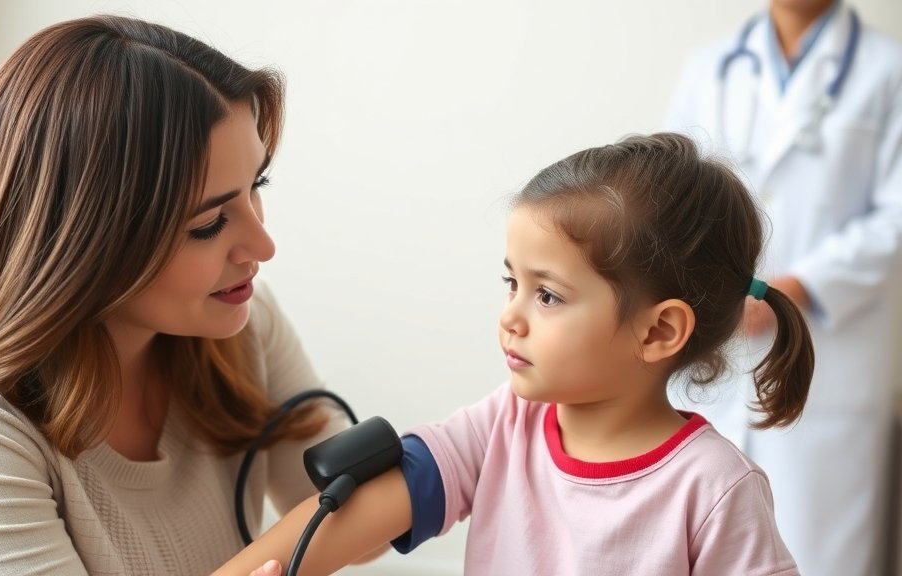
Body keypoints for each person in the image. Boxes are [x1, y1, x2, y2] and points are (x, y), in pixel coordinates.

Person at [215, 132, 814, 576]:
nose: (510, 317)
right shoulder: (504, 426)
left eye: (548, 295)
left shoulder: (713, 490)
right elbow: (355, 515)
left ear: (658, 333)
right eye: (512, 284)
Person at [0, 15, 351, 575]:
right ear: (83, 240)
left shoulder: (242, 323)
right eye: (207, 223)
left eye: (256, 188)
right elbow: (345, 518)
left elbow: (362, 519)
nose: (263, 245)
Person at [664, 2, 902, 574]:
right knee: (696, 539)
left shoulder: (889, 68)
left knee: (819, 554)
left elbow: (897, 214)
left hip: (830, 359)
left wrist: (795, 287)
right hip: (713, 351)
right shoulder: (710, 68)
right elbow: (671, 193)